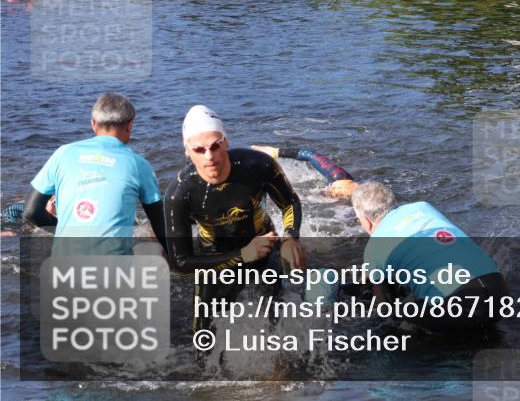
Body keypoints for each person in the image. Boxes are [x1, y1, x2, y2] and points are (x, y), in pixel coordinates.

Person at [164, 105, 307, 331]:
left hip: (264, 246)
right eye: (199, 150)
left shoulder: (258, 165)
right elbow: (181, 262)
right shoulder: (180, 193)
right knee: (203, 336)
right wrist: (242, 255)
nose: (209, 156)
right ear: (186, 150)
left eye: (215, 146)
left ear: (226, 141)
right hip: (214, 259)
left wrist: (290, 237)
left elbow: (289, 202)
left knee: (275, 325)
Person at [23, 93, 167, 255]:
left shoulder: (62, 154)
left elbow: (31, 212)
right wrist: (178, 261)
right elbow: (160, 225)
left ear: (93, 124)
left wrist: (61, 226)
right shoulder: (139, 165)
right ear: (130, 126)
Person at [352, 181, 508, 330]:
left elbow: (383, 304)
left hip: (457, 307)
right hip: (499, 293)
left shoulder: (374, 248)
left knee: (394, 320)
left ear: (366, 221)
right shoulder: (423, 207)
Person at [250, 145, 356, 198]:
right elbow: (309, 154)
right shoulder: (339, 176)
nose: (329, 187)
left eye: (331, 189)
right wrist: (274, 152)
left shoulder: (339, 179)